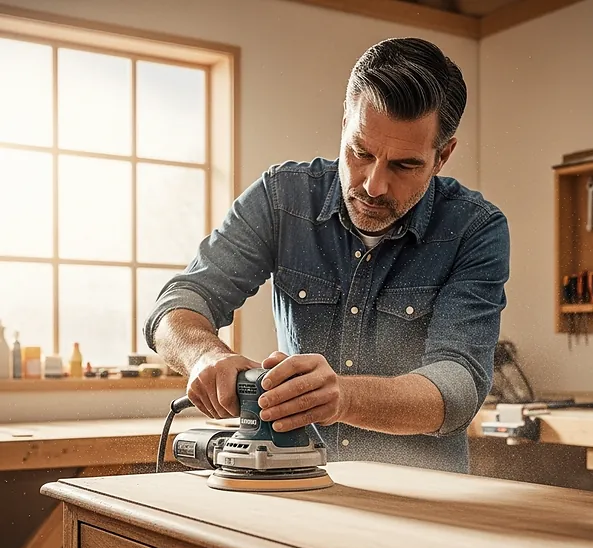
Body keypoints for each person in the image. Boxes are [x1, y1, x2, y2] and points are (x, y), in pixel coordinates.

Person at [144, 37, 510, 474]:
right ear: (344, 125)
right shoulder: (282, 199)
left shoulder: (475, 228)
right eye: (361, 152)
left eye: (404, 165)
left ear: (442, 156)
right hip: (299, 483)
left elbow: (459, 384)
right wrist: (205, 356)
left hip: (425, 496)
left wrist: (345, 398)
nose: (374, 184)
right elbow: (177, 305)